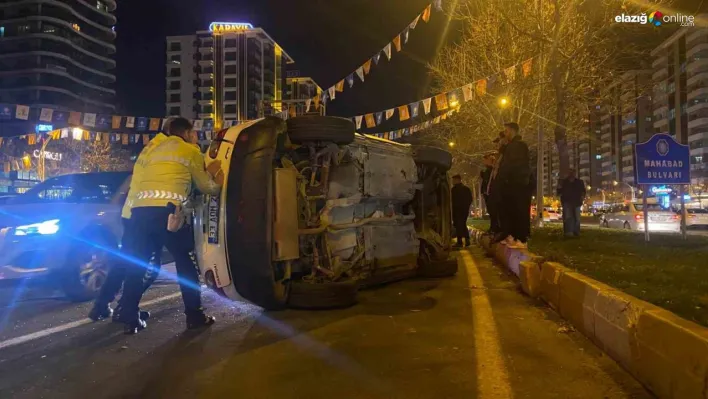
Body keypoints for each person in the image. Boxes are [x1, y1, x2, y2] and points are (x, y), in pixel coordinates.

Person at [118, 117, 223, 334]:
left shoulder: (152, 150)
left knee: (138, 265)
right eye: (193, 132)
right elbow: (206, 187)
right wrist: (218, 181)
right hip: (168, 214)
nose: (195, 136)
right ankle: (194, 315)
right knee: (185, 262)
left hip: (139, 212)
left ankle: (129, 316)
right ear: (186, 132)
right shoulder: (189, 151)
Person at [88, 118, 179, 322]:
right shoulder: (164, 150)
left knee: (124, 262)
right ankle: (126, 309)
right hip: (141, 214)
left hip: (131, 214)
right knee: (147, 266)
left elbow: (128, 186)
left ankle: (101, 305)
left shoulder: (150, 149)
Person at [496, 122, 531, 249]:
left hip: (517, 183)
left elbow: (516, 165)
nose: (505, 134)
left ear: (512, 131)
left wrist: (509, 178)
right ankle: (512, 235)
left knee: (519, 210)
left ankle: (521, 238)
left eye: (506, 131)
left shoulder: (519, 146)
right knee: (510, 211)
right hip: (509, 184)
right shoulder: (510, 147)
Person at [557, 168, 586, 237]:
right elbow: (559, 191)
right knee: (568, 217)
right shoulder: (564, 182)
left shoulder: (579, 182)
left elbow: (583, 191)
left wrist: (582, 197)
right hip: (567, 202)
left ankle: (576, 232)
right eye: (570, 173)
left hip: (577, 202)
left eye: (573, 172)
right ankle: (568, 232)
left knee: (577, 218)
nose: (571, 174)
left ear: (575, 174)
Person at [480, 152, 499, 234]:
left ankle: (495, 228)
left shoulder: (493, 170)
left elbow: (491, 181)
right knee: (491, 212)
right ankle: (493, 227)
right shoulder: (487, 170)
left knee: (494, 212)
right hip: (487, 193)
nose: (484, 162)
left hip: (492, 194)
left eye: (485, 160)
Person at [451, 174, 473, 248]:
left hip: (457, 210)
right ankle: (466, 240)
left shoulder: (454, 190)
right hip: (464, 210)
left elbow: (451, 201)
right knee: (462, 224)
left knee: (459, 225)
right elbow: (470, 199)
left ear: (458, 180)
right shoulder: (466, 189)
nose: (453, 181)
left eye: (454, 180)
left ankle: (460, 242)